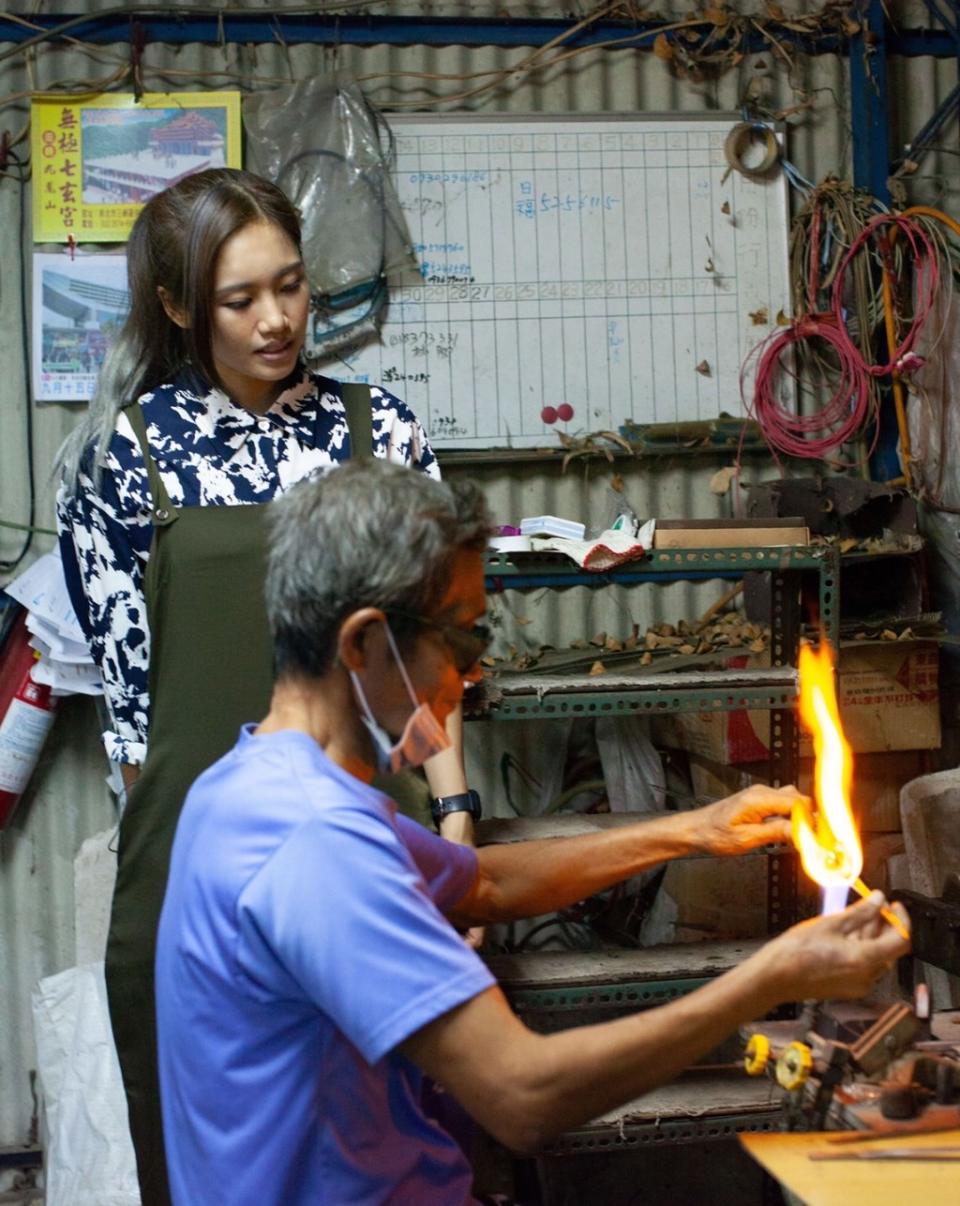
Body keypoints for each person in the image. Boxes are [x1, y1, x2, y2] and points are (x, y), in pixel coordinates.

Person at [156, 460, 911, 1206]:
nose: (468, 680)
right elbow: (520, 1095)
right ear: (362, 645)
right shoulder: (315, 840)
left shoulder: (253, 785)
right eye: (463, 641)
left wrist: (692, 829)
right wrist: (774, 975)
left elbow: (481, 881)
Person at [56, 168, 480, 1206]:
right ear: (177, 308)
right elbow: (128, 712)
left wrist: (460, 823)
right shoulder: (129, 458)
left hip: (374, 841)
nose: (277, 319)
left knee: (391, 1149)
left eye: (289, 285)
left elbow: (436, 666)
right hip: (193, 867)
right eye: (240, 300)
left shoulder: (384, 437)